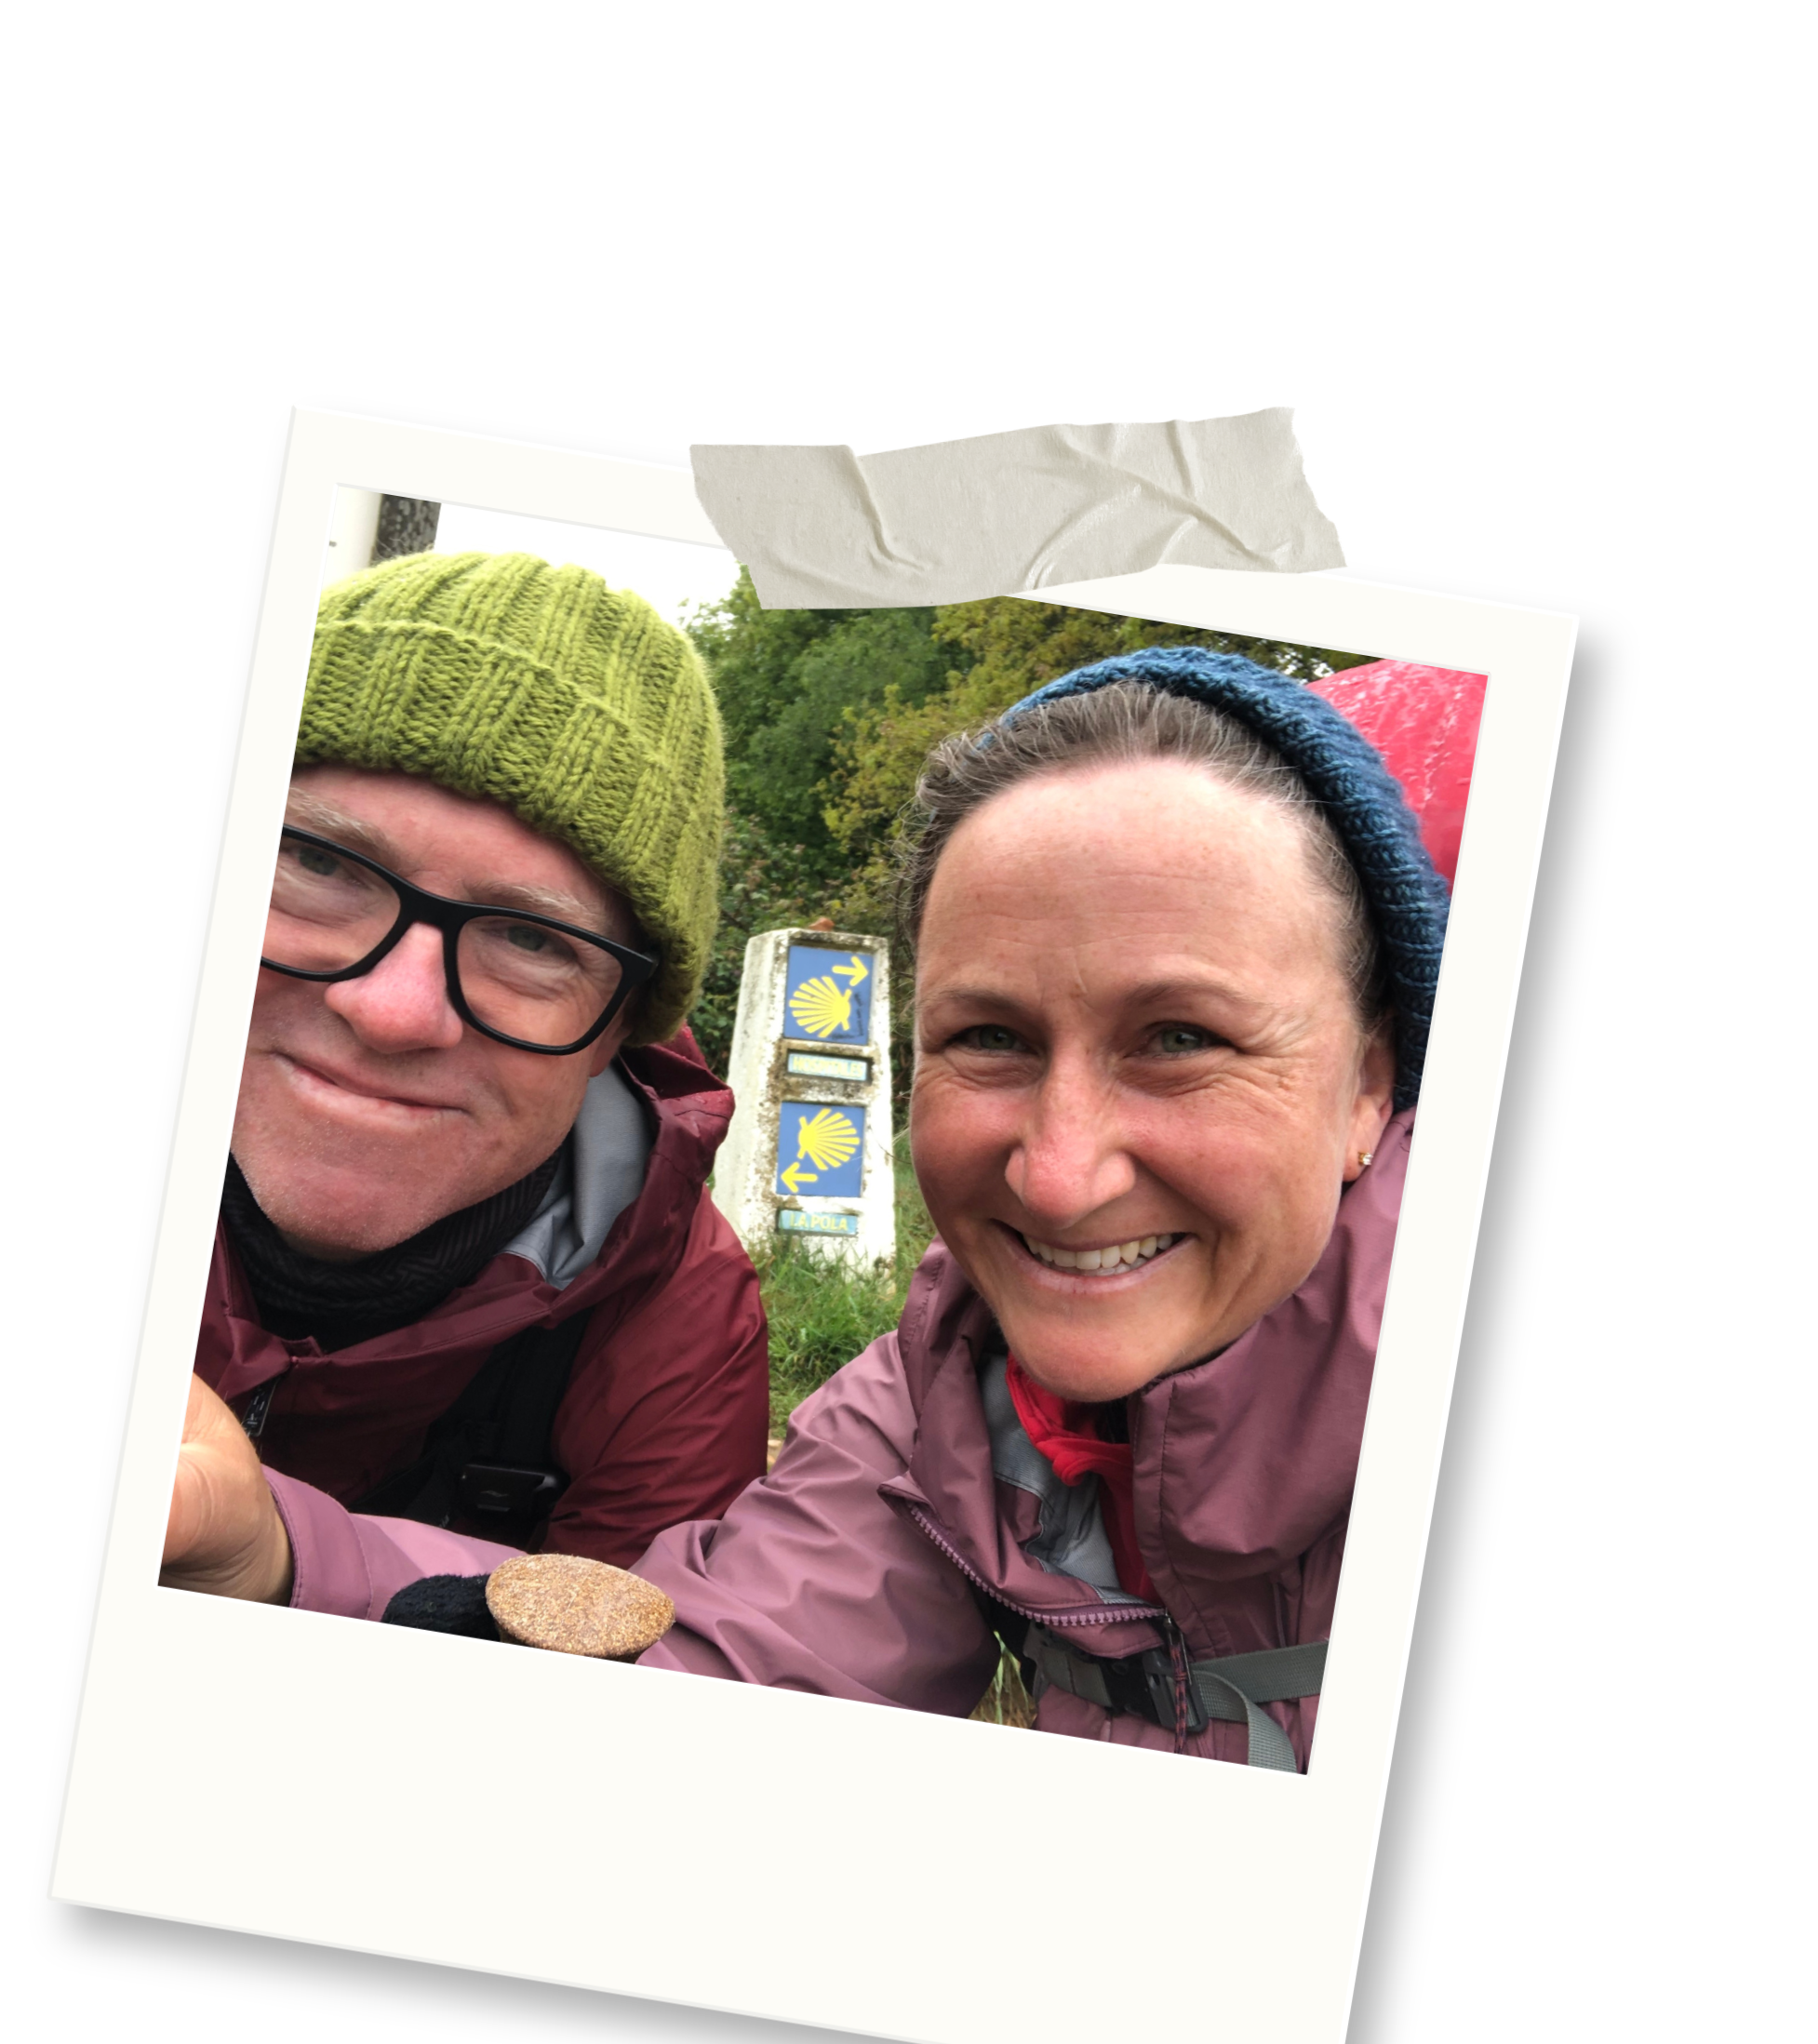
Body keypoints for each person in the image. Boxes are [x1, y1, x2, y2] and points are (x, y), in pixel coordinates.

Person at [174, 643, 1447, 1775]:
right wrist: (269, 1555)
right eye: (990, 1036)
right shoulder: (936, 1409)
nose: (1062, 1175)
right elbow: (715, 1687)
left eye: (1181, 1037)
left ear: (1372, 1085)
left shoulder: (686, 1313)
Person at [162, 548, 771, 1601]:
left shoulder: (674, 1323)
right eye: (319, 865)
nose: (392, 1011)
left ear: (617, 1027)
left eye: (534, 941)